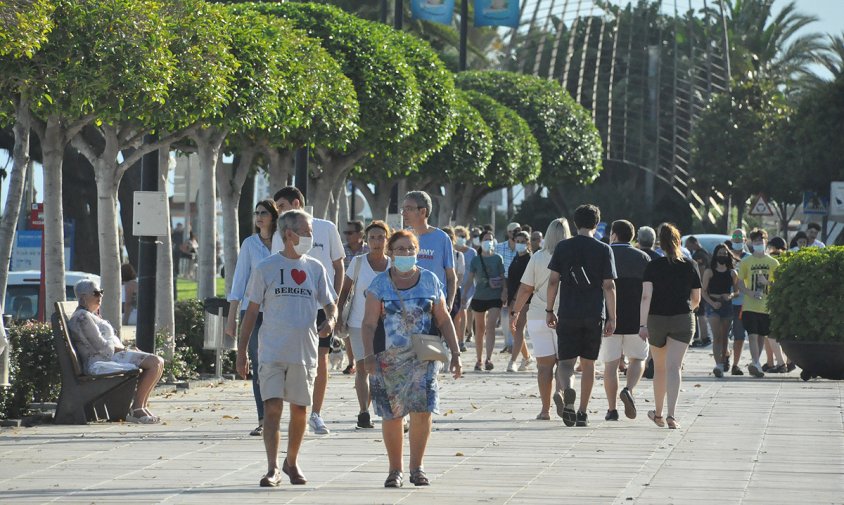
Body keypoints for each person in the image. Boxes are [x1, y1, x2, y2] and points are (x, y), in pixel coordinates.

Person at [237, 209, 337, 487]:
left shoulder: (315, 268)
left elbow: (330, 303)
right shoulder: (266, 268)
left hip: (304, 351)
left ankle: (291, 461)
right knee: (272, 408)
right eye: (306, 232)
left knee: (300, 410)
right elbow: (251, 312)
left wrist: (330, 319)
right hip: (271, 351)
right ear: (289, 234)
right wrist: (242, 351)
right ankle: (272, 468)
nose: (311, 236)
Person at [360, 229, 462, 488]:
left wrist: (456, 353)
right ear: (390, 253)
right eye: (400, 249)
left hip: (424, 357)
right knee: (392, 415)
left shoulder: (429, 280)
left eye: (410, 249)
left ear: (417, 252)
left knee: (422, 411)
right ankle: (395, 470)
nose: (406, 253)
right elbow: (369, 324)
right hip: (388, 359)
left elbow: (443, 318)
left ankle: (417, 467)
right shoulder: (380, 284)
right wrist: (368, 356)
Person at [271, 187, 344, 435]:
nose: (278, 212)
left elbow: (338, 264)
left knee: (321, 358)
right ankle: (285, 410)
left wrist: (333, 303)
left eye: (281, 206)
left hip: (320, 305)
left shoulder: (326, 227)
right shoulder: (279, 233)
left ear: (296, 202)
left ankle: (316, 413)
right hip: (289, 305)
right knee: (288, 359)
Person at [546, 205, 617, 427]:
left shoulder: (563, 247)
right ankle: (583, 412)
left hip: (568, 312)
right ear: (597, 223)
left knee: (566, 363)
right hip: (593, 313)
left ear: (575, 223)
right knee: (589, 365)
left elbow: (553, 281)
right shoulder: (604, 249)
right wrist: (612, 317)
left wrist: (549, 310)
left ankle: (567, 391)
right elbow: (609, 286)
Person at [67, 279, 164, 424]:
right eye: (96, 293)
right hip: (101, 362)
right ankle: (136, 408)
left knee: (158, 362)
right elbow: (101, 348)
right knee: (155, 362)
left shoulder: (90, 315)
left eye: (101, 292)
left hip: (111, 356)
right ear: (82, 297)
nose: (100, 296)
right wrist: (124, 349)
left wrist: (126, 349)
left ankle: (140, 406)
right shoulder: (82, 317)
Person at [639, 223, 701, 429]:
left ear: (660, 242)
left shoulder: (653, 266)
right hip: (683, 318)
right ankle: (672, 415)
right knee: (675, 367)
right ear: (678, 240)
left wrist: (642, 324)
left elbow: (646, 296)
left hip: (656, 319)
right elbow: (696, 299)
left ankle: (658, 413)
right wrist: (685, 310)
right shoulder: (690, 265)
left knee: (659, 368)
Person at [225, 199, 278, 436]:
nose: (259, 217)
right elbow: (239, 280)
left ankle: (279, 413)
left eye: (264, 213)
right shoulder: (249, 244)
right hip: (252, 311)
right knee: (258, 364)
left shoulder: (283, 241)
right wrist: (232, 316)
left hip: (279, 312)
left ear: (274, 216)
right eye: (256, 213)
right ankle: (263, 418)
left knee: (278, 365)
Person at [510, 218, 570, 420]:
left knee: (544, 366)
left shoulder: (537, 257)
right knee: (564, 363)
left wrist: (516, 312)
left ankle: (545, 410)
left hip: (537, 315)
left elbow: (526, 288)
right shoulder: (572, 256)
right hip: (566, 315)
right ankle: (560, 392)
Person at [336, 221, 391, 430]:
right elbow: (344, 291)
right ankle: (363, 411)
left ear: (387, 239)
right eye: (373, 238)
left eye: (381, 237)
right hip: (359, 323)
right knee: (362, 367)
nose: (377, 241)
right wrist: (338, 315)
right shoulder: (358, 263)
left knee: (384, 369)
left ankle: (386, 410)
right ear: (366, 241)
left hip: (387, 325)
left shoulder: (393, 264)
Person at [601, 220, 651, 421]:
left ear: (613, 234)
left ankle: (611, 409)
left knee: (610, 365)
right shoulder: (643, 257)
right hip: (636, 318)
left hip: (609, 318)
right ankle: (628, 389)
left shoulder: (605, 253)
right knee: (638, 359)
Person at [401, 191, 457, 313]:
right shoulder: (402, 238)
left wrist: (449, 303)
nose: (404, 213)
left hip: (435, 307)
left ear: (422, 212)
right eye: (403, 209)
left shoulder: (442, 238)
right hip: (406, 305)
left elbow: (451, 276)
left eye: (409, 209)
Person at [738, 228, 783, 377]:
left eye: (761, 241)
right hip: (749, 306)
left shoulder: (773, 262)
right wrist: (750, 292)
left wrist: (768, 282)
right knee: (752, 334)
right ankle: (755, 362)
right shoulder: (746, 262)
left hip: (766, 306)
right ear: (752, 243)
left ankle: (756, 362)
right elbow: (739, 283)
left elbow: (780, 284)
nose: (759, 243)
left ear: (766, 242)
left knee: (762, 336)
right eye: (756, 241)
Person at [462, 230, 506, 372]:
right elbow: (470, 278)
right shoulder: (476, 259)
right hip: (479, 296)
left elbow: (503, 276)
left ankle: (489, 358)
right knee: (479, 329)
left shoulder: (498, 258)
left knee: (490, 326)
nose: (488, 241)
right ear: (481, 242)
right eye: (486, 239)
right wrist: (464, 294)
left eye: (491, 239)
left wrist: (505, 291)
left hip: (495, 296)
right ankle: (479, 359)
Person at [701, 244, 740, 377]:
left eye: (724, 253)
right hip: (713, 304)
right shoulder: (709, 271)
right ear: (715, 255)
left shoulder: (732, 272)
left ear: (728, 255)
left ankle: (725, 359)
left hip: (727, 304)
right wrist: (712, 303)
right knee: (716, 336)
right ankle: (718, 365)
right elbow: (703, 291)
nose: (722, 255)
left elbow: (737, 291)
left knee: (724, 337)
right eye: (720, 253)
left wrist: (730, 296)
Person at [341, 220, 370, 373]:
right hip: (345, 293)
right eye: (345, 233)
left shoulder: (368, 250)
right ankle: (352, 361)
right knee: (348, 328)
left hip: (364, 295)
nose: (347, 236)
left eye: (350, 233)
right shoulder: (342, 250)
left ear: (360, 234)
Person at [505, 230, 534, 372]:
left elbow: (526, 284)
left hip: (525, 299)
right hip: (513, 299)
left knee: (519, 328)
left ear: (528, 243)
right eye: (518, 241)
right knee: (513, 329)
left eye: (523, 242)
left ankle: (513, 361)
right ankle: (527, 357)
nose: (520, 244)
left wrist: (517, 299)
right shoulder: (516, 257)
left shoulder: (530, 259)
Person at [727, 228, 750, 372]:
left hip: (742, 302)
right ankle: (725, 357)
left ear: (745, 240)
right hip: (725, 301)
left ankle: (735, 364)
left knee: (739, 334)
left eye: (740, 238)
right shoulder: (725, 256)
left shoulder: (750, 258)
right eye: (735, 238)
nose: (737, 241)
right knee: (722, 335)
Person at [495, 222, 521, 353]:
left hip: (519, 283)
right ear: (508, 232)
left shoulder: (522, 247)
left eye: (518, 230)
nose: (515, 233)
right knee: (504, 314)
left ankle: (515, 343)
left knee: (516, 314)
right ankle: (508, 342)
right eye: (512, 231)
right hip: (503, 283)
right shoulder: (499, 247)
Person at [452, 226, 476, 352]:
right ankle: (454, 338)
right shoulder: (451, 252)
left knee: (463, 310)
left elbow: (475, 271)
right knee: (456, 313)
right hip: (454, 285)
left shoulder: (471, 252)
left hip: (468, 286)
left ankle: (461, 340)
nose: (460, 238)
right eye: (458, 235)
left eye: (463, 236)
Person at [441, 227, 465, 322]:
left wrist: (452, 291)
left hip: (453, 291)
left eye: (450, 237)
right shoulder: (438, 254)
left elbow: (460, 275)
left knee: (453, 318)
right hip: (440, 291)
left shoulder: (458, 255)